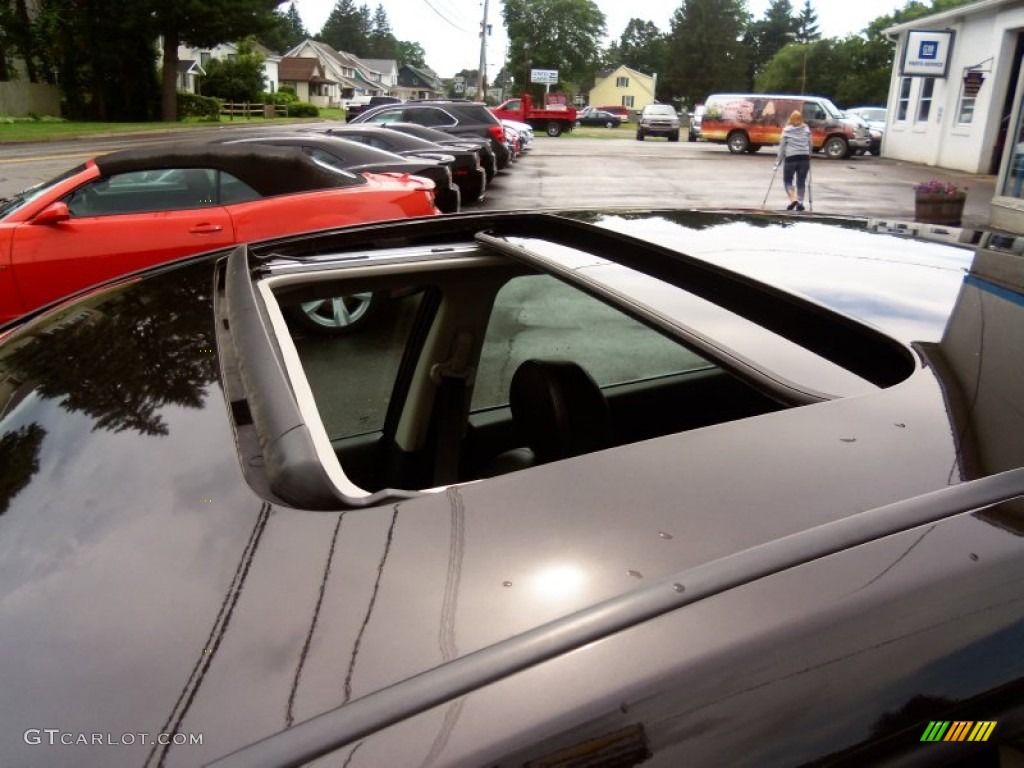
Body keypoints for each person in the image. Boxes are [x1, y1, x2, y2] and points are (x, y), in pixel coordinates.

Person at [774, 110, 812, 211]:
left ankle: (793, 199)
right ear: (801, 119)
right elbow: (810, 145)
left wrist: (778, 161)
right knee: (801, 181)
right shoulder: (807, 129)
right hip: (804, 158)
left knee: (787, 180)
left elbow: (782, 148)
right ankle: (800, 202)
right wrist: (809, 155)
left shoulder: (786, 130)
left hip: (791, 158)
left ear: (791, 119)